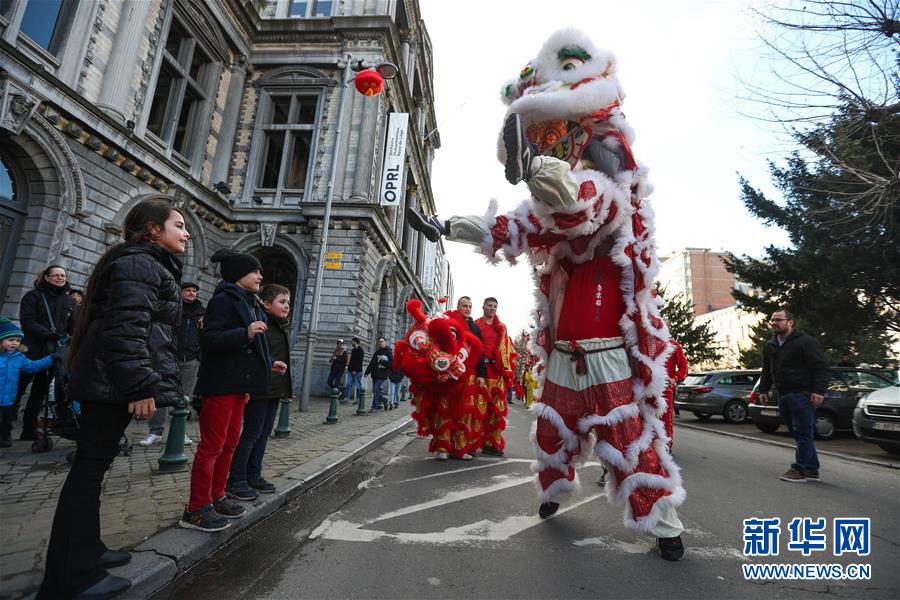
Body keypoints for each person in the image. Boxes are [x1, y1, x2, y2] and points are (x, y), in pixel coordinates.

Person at [405, 29, 687, 560]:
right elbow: (510, 229)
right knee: (552, 436)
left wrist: (534, 170)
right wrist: (447, 226)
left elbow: (583, 208)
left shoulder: (611, 197)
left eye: (557, 137)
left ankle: (665, 526)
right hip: (561, 355)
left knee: (626, 441)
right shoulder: (548, 221)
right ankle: (553, 494)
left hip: (605, 354)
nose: (555, 142)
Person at [37, 196, 189, 599]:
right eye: (178, 225)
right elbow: (127, 329)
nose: (186, 232)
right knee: (88, 472)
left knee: (95, 469)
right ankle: (71, 577)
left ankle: (88, 550)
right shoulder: (139, 263)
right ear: (153, 230)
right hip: (112, 382)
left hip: (110, 379)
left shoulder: (143, 262)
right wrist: (139, 386)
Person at [181, 249, 286, 532]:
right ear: (239, 274)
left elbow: (253, 348)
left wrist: (268, 365)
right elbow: (211, 340)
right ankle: (196, 507)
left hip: (239, 385)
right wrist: (245, 332)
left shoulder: (248, 302)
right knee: (212, 446)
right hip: (221, 384)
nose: (260, 277)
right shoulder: (223, 300)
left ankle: (217, 495)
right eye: (255, 272)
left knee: (229, 443)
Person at [228, 283, 293, 497]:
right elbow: (254, 355)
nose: (287, 307)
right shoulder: (262, 324)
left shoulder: (280, 326)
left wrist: (286, 388)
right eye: (282, 302)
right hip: (258, 388)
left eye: (288, 303)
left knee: (264, 433)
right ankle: (237, 479)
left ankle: (254, 475)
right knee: (252, 433)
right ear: (266, 304)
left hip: (274, 388)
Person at [757, 309, 829, 483]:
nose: (774, 323)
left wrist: (818, 390)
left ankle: (800, 469)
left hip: (803, 394)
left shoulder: (805, 342)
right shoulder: (770, 345)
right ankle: (811, 469)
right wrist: (763, 390)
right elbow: (767, 370)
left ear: (790, 322)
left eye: (779, 320)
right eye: (772, 320)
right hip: (784, 395)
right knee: (798, 434)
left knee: (803, 433)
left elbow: (821, 367)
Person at [15, 265, 76, 439]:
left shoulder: (69, 301)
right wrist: (49, 334)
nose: (60, 278)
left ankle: (29, 430)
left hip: (53, 352)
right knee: (17, 389)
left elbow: (73, 326)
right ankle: (4, 429)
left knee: (40, 392)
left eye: (63, 275)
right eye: (56, 275)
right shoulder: (33, 296)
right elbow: (27, 321)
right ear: (46, 278)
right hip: (30, 349)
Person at [139, 281, 203, 446]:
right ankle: (155, 431)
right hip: (167, 357)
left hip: (190, 359)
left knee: (184, 397)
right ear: (180, 292)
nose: (191, 293)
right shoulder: (171, 308)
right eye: (188, 290)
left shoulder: (202, 312)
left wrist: (199, 355)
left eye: (194, 291)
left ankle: (180, 431)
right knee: (160, 393)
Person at [0, 319, 54, 447]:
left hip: (9, 399)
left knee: (6, 422)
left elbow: (32, 367)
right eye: (11, 340)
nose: (14, 343)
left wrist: (51, 358)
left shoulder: (19, 357)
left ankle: (4, 438)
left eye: (18, 340)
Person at [474, 297, 516, 457]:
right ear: (483, 307)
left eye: (494, 307)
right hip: (481, 373)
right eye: (489, 306)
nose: (492, 309)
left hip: (497, 373)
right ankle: (472, 443)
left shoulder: (501, 327)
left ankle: (491, 444)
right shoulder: (476, 324)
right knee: (478, 408)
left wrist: (507, 372)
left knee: (496, 411)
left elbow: (507, 350)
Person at [663, 339, 688, 450]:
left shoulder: (673, 345)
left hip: (666, 389)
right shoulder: (648, 343)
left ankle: (666, 447)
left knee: (665, 419)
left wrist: (675, 378)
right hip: (648, 388)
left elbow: (683, 366)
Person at [365, 336, 392, 412]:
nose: (381, 343)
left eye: (382, 341)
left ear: (385, 342)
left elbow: (391, 364)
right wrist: (367, 372)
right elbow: (371, 363)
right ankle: (384, 400)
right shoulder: (377, 352)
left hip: (382, 374)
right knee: (375, 390)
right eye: (379, 341)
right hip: (374, 374)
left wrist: (381, 361)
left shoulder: (388, 351)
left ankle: (374, 407)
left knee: (376, 389)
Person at [343, 337, 365, 404]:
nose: (351, 343)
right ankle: (346, 398)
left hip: (358, 371)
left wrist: (355, 370)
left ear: (355, 342)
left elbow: (359, 361)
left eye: (352, 342)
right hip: (351, 371)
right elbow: (351, 361)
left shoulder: (361, 350)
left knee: (358, 386)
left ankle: (358, 399)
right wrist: (349, 368)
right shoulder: (353, 350)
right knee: (348, 384)